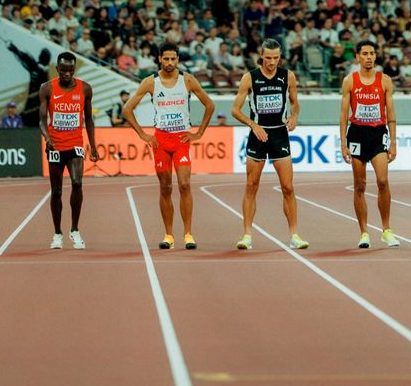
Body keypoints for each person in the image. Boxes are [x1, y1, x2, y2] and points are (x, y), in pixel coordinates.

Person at [123, 46, 215, 251]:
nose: (170, 62)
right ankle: (168, 235)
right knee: (166, 187)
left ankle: (188, 234)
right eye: (166, 58)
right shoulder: (150, 82)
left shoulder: (188, 80)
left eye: (173, 58)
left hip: (181, 139)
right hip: (161, 141)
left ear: (178, 59)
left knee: (184, 184)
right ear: (159, 59)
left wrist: (198, 133)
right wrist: (142, 134)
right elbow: (127, 109)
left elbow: (209, 105)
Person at [230, 38, 307, 251]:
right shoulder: (250, 78)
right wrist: (253, 124)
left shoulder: (287, 76)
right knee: (251, 186)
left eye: (276, 58)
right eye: (268, 58)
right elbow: (235, 110)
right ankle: (246, 235)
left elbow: (295, 103)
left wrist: (294, 116)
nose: (272, 62)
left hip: (279, 135)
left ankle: (294, 235)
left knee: (288, 187)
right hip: (258, 135)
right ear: (261, 56)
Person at [338, 39, 399, 250]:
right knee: (360, 185)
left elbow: (391, 114)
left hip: (378, 133)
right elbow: (344, 115)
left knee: (383, 181)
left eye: (372, 53)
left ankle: (386, 230)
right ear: (357, 57)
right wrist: (343, 143)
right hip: (356, 134)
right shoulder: (350, 81)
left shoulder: (385, 80)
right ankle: (364, 232)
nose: (369, 57)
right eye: (364, 53)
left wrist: (393, 141)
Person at [40, 53, 97, 249]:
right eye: (63, 70)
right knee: (56, 191)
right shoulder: (47, 88)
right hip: (55, 145)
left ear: (74, 70)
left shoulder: (85, 88)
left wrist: (94, 145)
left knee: (77, 182)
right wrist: (47, 138)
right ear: (57, 69)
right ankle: (57, 233)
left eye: (70, 70)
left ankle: (75, 229)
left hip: (75, 144)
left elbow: (89, 119)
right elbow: (41, 120)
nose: (66, 74)